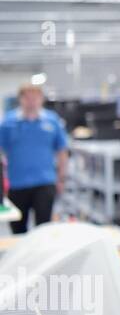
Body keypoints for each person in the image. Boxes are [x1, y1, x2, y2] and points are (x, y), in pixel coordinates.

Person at [0, 83, 69, 234]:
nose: (31, 101)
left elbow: (62, 151)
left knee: (43, 231)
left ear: (41, 99)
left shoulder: (52, 121)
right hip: (17, 185)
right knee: (18, 231)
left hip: (44, 183)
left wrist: (61, 179)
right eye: (27, 97)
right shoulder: (8, 123)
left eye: (35, 97)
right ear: (20, 99)